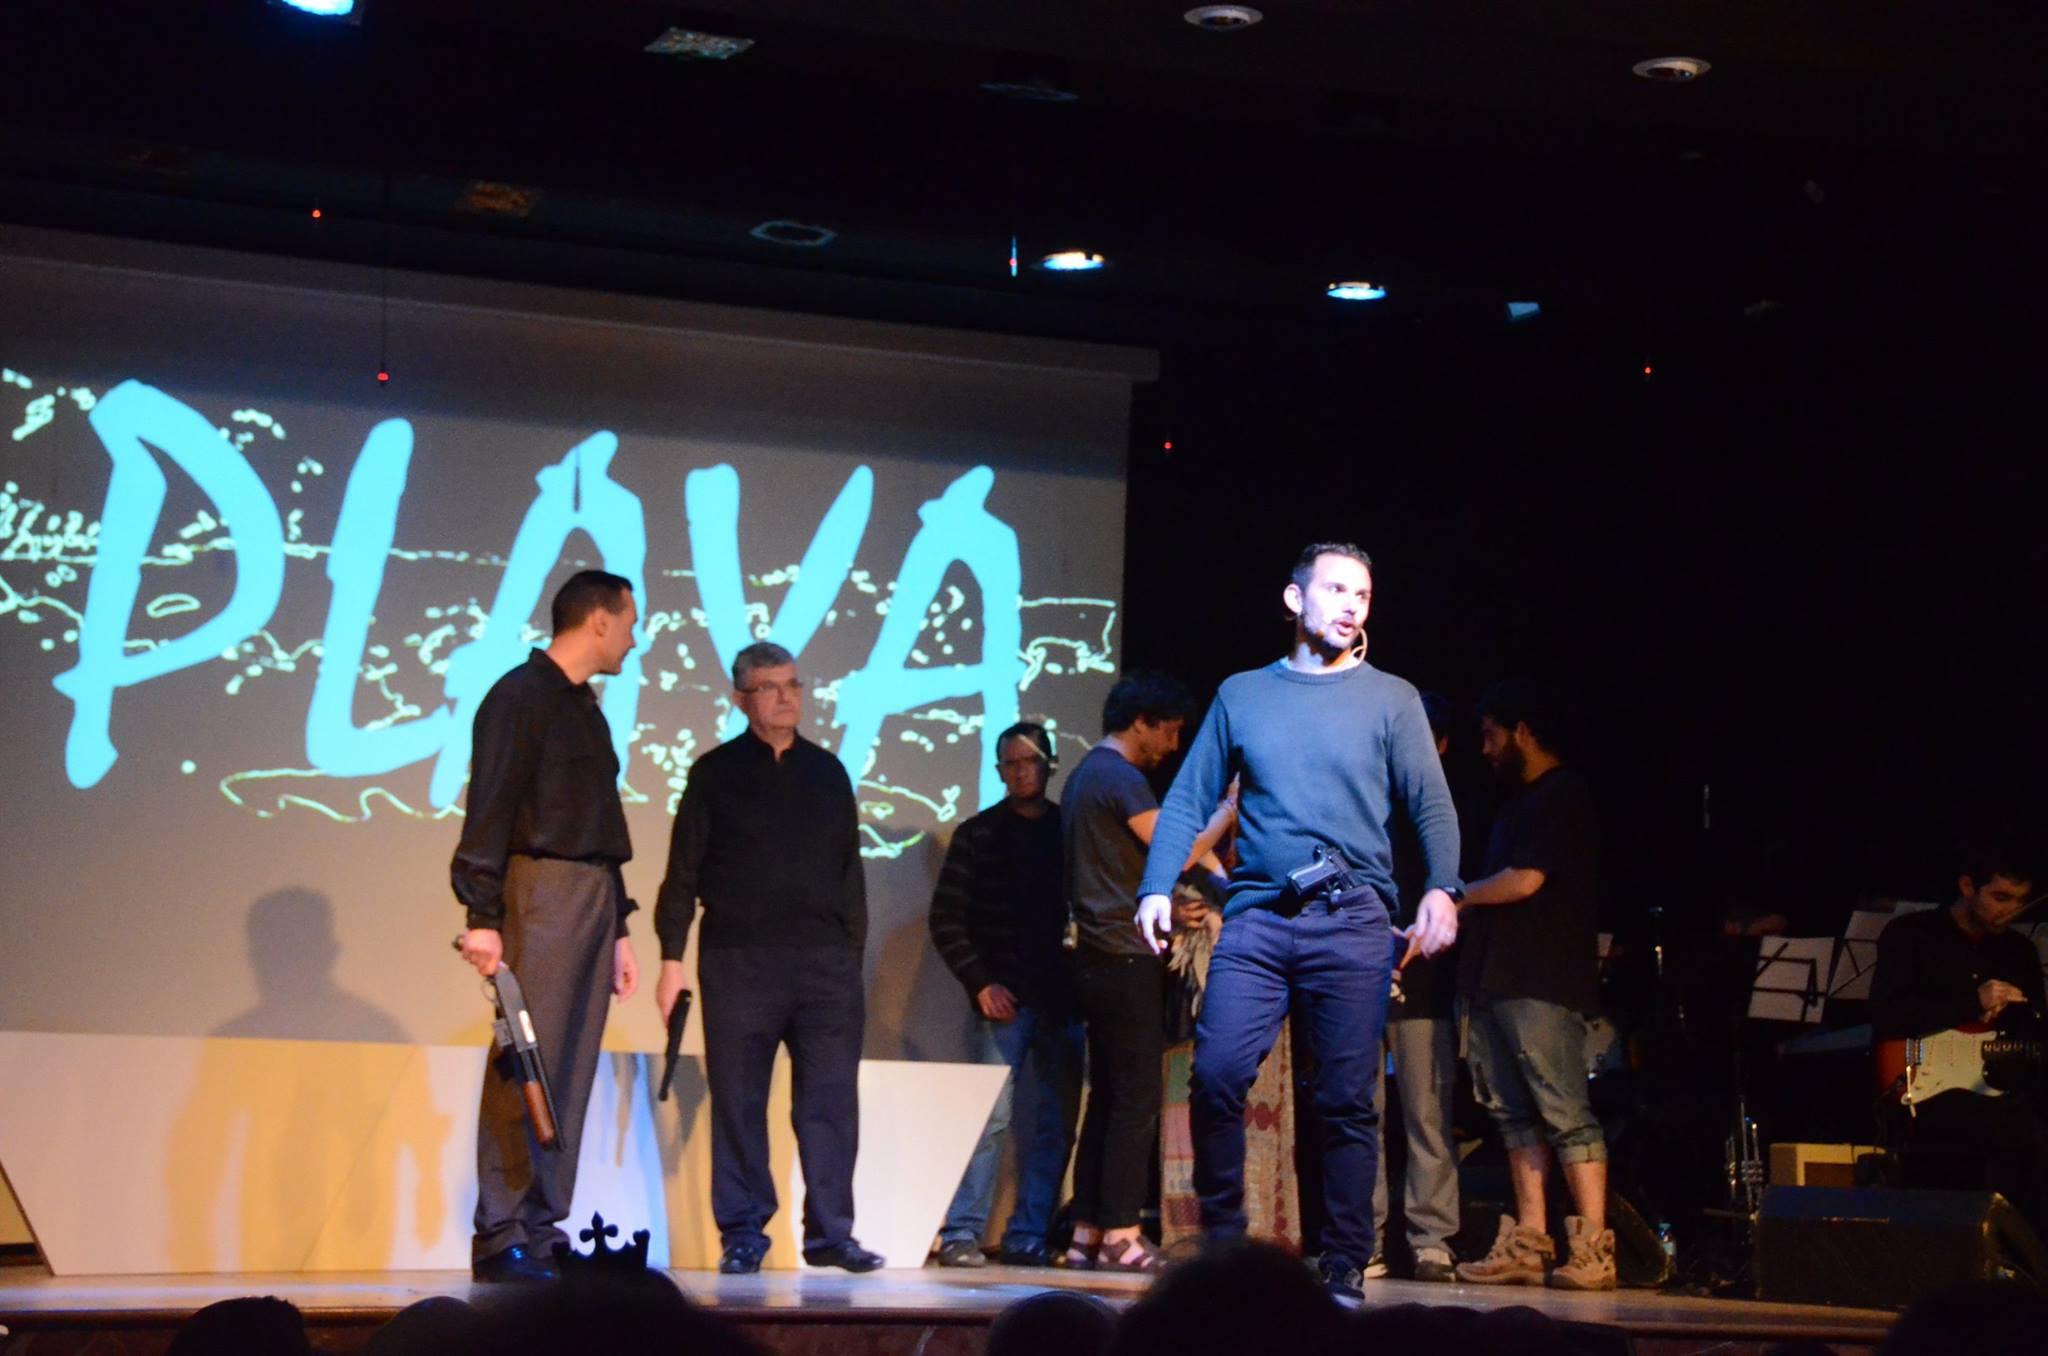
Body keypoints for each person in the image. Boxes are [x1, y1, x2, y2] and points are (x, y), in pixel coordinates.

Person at [1137, 542, 1462, 1301]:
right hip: (1258, 918)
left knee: (1346, 1099)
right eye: (1337, 589)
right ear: (1294, 600)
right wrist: (1156, 886)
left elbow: (1431, 803)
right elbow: (1188, 798)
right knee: (1216, 1075)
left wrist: (1443, 889)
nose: (1352, 605)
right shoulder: (1243, 694)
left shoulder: (1391, 699)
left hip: (1352, 919)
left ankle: (1345, 1259)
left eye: (1363, 595)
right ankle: (1224, 1249)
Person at [653, 641, 882, 1275]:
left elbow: (850, 873)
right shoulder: (714, 773)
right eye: (771, 687)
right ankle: (744, 1232)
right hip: (739, 962)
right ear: (741, 699)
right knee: (739, 1100)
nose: (787, 698)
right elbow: (682, 873)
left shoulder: (828, 772)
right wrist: (671, 959)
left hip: (824, 966)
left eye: (793, 685)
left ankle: (831, 1234)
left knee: (830, 1104)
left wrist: (849, 957)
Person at [452, 570, 643, 1284]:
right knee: (525, 1060)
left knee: (570, 1067)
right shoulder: (519, 697)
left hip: (592, 893)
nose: (633, 638)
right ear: (599, 620)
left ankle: (542, 1224)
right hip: (542, 890)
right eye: (630, 622)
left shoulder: (586, 709)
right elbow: (490, 806)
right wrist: (482, 915)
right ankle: (501, 1231)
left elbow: (599, 821)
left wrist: (619, 927)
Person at [1452, 678, 1612, 1290]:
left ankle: (1594, 1249)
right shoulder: (1515, 804)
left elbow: (1525, 881)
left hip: (1541, 982)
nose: (1486, 749)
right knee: (1512, 1117)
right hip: (1496, 980)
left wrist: (1457, 896)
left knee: (1565, 1113)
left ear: (1522, 731)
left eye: (1492, 735)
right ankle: (1529, 1241)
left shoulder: (1562, 794)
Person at [1062, 670, 1213, 1273]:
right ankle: (1123, 1233)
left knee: (1108, 1096)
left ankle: (1087, 1229)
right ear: (1140, 722)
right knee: (1135, 1097)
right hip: (1123, 955)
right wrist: (1226, 813)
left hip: (1096, 956)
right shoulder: (1118, 777)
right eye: (1168, 731)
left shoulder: (1085, 774)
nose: (1172, 746)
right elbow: (1179, 849)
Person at [926, 721, 1084, 1268]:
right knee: (989, 1120)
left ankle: (1029, 1234)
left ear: (1049, 764)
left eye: (1029, 761)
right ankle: (961, 1234)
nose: (1020, 772)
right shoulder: (978, 834)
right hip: (1003, 1001)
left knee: (1055, 1124)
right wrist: (980, 982)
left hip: (1063, 999)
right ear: (998, 771)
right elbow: (946, 919)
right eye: (1010, 764)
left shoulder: (1069, 831)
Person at [1870, 836, 2048, 1236]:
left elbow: (2032, 1032)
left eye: (2020, 901)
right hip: (1926, 1086)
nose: (2012, 910)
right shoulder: (1911, 935)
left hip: (1995, 1082)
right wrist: (1972, 1001)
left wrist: (2023, 1015)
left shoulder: (2018, 950)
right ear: (1967, 887)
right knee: (2021, 1134)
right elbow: (1887, 1014)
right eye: (2000, 897)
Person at [1370, 690, 1463, 1283]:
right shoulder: (1368, 795)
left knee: (1426, 1111)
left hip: (1425, 971)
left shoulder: (1445, 808)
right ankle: (1362, 1237)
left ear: (1441, 745)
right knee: (1359, 1110)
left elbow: (1458, 884)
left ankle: (1432, 1238)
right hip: (1360, 960)